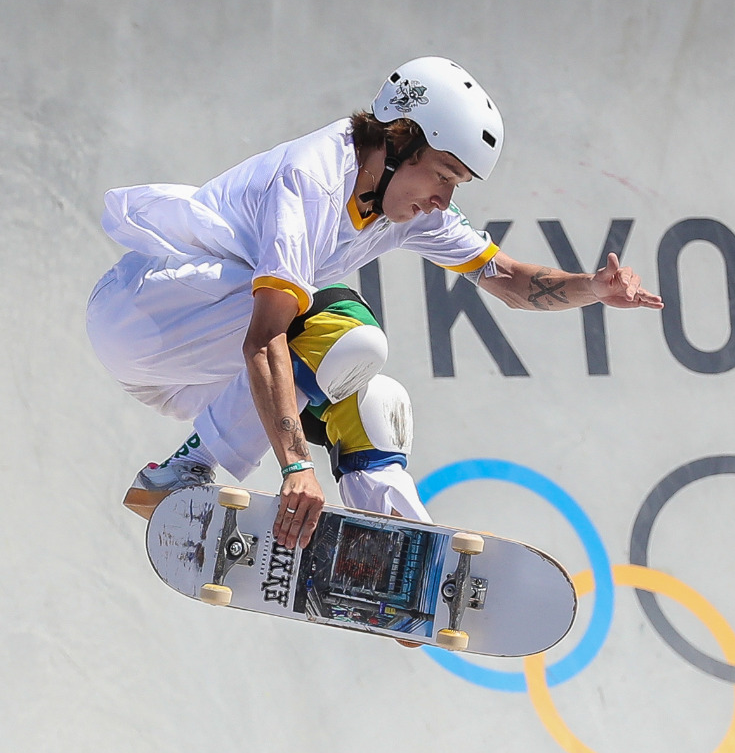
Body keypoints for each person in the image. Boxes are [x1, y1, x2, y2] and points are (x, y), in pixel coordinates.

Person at [87, 56, 663, 549]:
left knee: (372, 400)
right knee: (346, 333)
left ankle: (393, 553)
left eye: (457, 186)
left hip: (185, 367)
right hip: (147, 312)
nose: (442, 201)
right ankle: (187, 468)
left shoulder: (407, 207)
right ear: (398, 139)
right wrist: (295, 467)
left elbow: (508, 278)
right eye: (443, 175)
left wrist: (595, 287)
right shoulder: (312, 179)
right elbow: (264, 338)